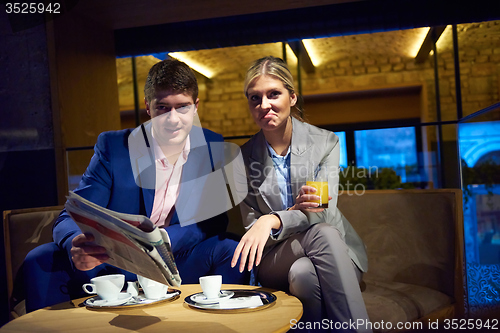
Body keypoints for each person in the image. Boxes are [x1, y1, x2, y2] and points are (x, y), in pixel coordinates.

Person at [23, 58, 248, 312]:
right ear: (148, 108)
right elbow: (71, 214)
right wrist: (78, 242)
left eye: (182, 107)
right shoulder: (115, 147)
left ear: (195, 107)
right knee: (40, 259)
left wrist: (161, 241)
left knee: (229, 250)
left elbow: (213, 222)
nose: (173, 119)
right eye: (163, 107)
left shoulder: (209, 146)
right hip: (114, 259)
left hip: (175, 257)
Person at [231, 56, 371, 332]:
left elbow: (321, 212)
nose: (264, 105)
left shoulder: (326, 143)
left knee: (304, 273)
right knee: (320, 236)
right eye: (254, 98)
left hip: (335, 253)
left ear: (292, 97)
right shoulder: (241, 159)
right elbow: (252, 229)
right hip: (276, 257)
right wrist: (287, 215)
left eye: (274, 94)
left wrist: (272, 220)